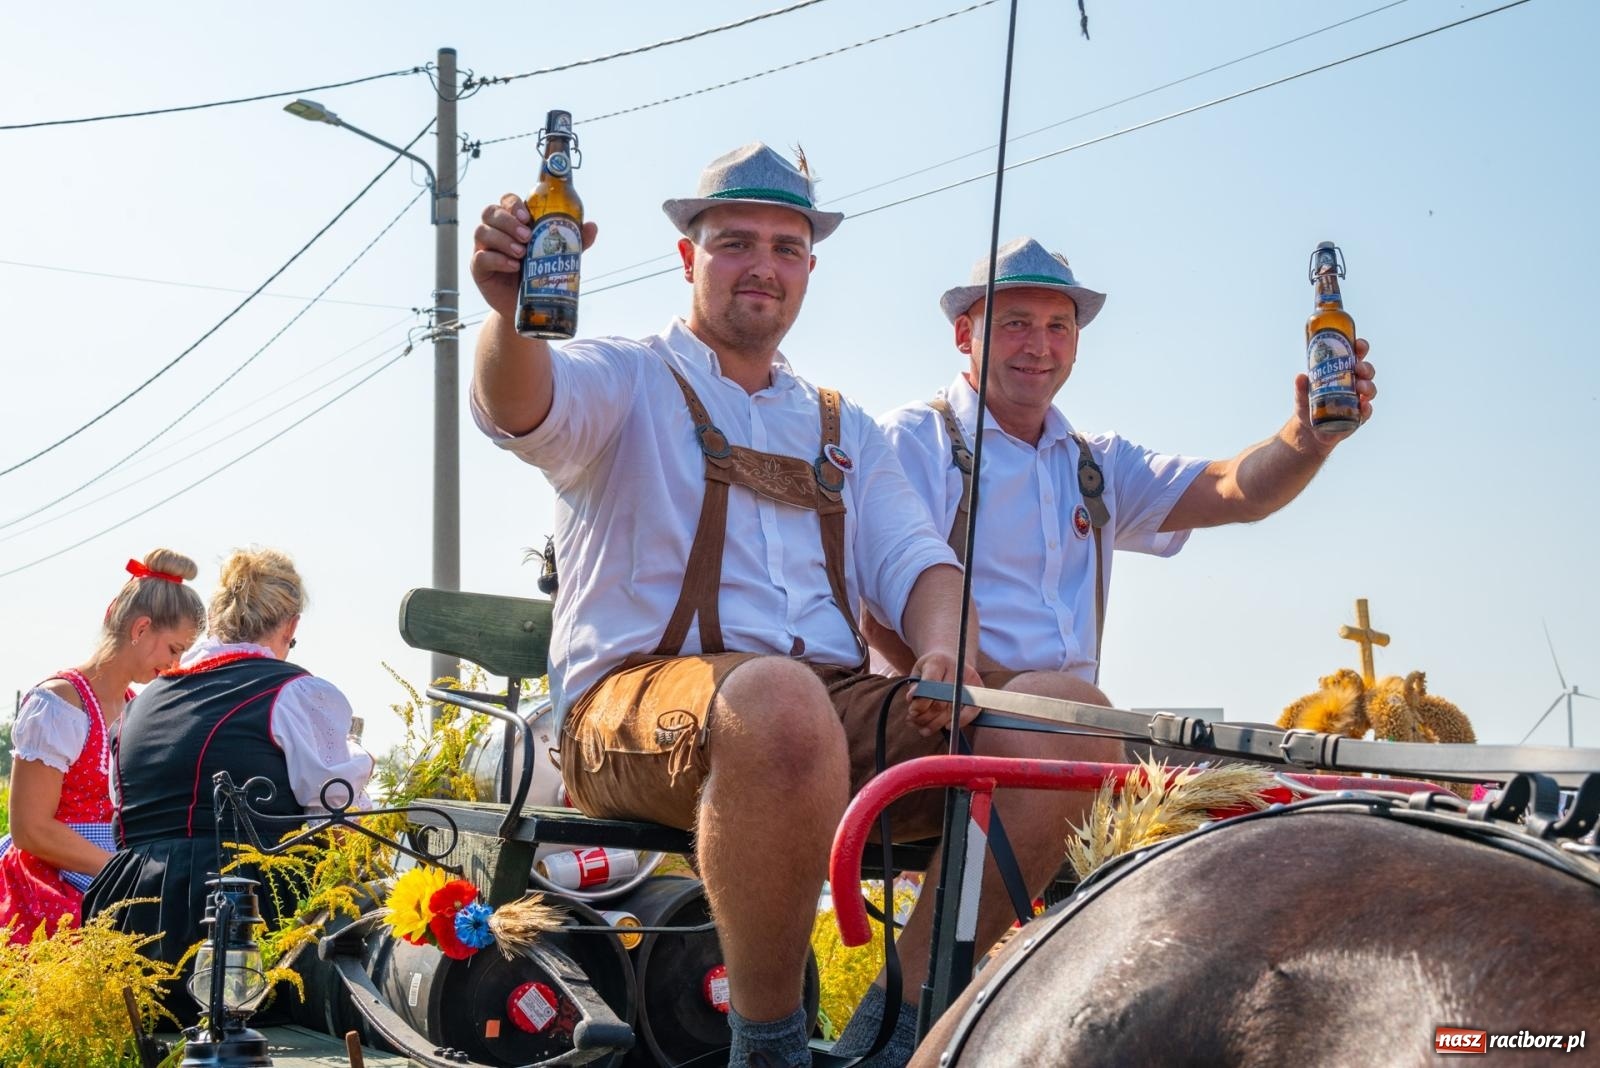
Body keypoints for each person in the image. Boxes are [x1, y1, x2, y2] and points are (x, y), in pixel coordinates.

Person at [470, 143, 1121, 1068]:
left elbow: (925, 567)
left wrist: (947, 651)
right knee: (780, 701)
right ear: (689, 259)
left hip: (810, 713)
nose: (763, 266)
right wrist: (511, 320)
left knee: (1065, 724)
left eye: (786, 246)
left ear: (809, 269)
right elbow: (518, 404)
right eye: (737, 242)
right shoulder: (626, 377)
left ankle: (902, 1029)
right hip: (629, 712)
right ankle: (768, 1048)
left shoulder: (839, 425)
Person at [870, 236, 1377, 689]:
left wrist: (1309, 440)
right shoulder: (916, 441)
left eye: (1058, 327)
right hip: (943, 739)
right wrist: (955, 692)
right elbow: (870, 611)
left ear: (1077, 343)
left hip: (1075, 728)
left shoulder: (1097, 465)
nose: (1040, 346)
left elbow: (1233, 490)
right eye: (1015, 323)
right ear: (965, 334)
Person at [83, 547, 373, 1016]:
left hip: (130, 917)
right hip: (236, 919)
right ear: (289, 626)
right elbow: (337, 818)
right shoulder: (294, 692)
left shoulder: (139, 706)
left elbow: (126, 811)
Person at [0, 551, 205, 944]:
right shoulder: (60, 704)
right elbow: (29, 828)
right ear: (141, 628)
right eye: (174, 649)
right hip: (48, 885)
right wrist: (121, 871)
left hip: (108, 877)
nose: (175, 664)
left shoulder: (134, 708)